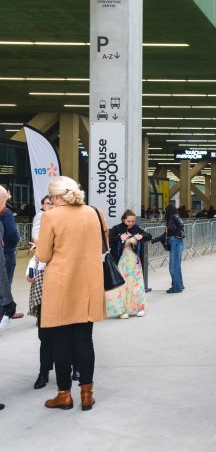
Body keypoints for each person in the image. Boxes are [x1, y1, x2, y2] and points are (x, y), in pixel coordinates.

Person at [37, 176, 107, 411]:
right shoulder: (94, 213)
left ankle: (64, 395)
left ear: (56, 196)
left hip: (61, 285)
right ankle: (87, 395)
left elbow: (44, 256)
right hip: (88, 284)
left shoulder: (50, 217)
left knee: (60, 342)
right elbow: (101, 246)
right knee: (85, 340)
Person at [27, 195, 56, 388]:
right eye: (48, 203)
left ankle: (75, 366)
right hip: (44, 277)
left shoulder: (68, 218)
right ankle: (44, 371)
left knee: (68, 330)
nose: (52, 205)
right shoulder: (42, 218)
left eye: (54, 202)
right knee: (44, 332)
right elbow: (39, 247)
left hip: (65, 280)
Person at [106, 210, 152, 319]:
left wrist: (141, 236)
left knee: (136, 284)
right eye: (128, 221)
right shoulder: (116, 228)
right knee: (121, 286)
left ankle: (139, 308)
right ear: (123, 219)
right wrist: (120, 238)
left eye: (133, 221)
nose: (131, 223)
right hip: (120, 262)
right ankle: (121, 310)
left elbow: (148, 235)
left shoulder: (136, 228)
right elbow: (108, 240)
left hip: (134, 262)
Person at [151, 204, 185, 293]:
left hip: (176, 243)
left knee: (173, 267)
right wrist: (153, 240)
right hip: (176, 243)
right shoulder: (171, 220)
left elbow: (181, 224)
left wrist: (176, 234)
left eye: (166, 211)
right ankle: (179, 285)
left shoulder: (173, 216)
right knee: (176, 266)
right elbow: (165, 235)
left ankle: (177, 288)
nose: (165, 212)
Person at [0, 185, 19, 286]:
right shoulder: (6, 213)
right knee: (5, 283)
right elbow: (12, 233)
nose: (10, 195)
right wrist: (17, 238)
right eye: (8, 193)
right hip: (7, 251)